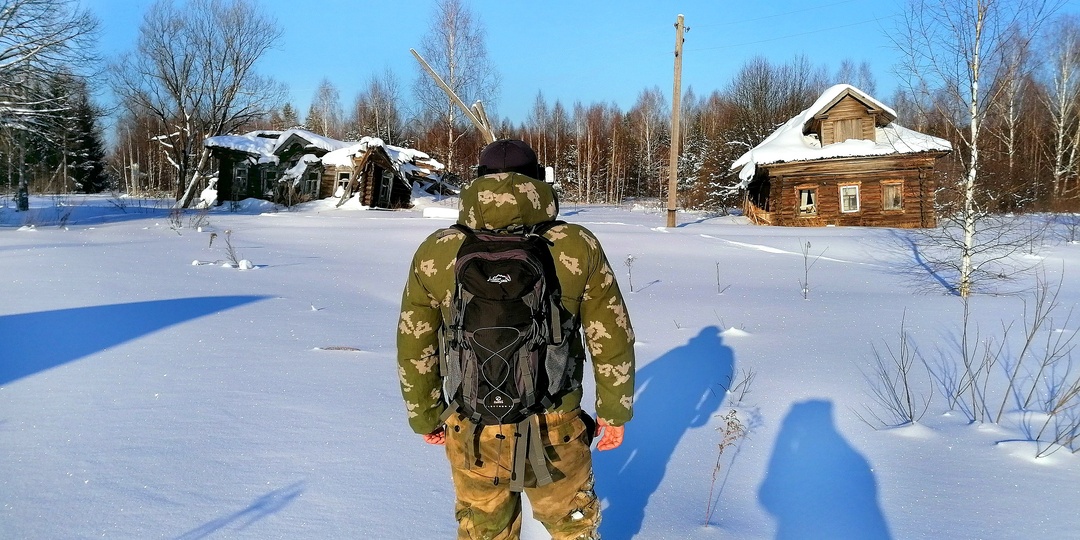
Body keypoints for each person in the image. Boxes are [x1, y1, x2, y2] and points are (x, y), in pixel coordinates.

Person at [396, 139, 636, 539]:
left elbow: (414, 344)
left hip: (471, 424)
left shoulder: (437, 251)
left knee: (484, 531)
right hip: (555, 423)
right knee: (572, 529)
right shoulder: (577, 244)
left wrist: (424, 413)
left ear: (477, 183)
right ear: (538, 181)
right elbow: (611, 337)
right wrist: (614, 412)